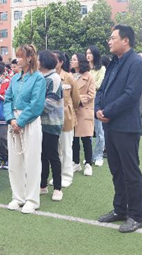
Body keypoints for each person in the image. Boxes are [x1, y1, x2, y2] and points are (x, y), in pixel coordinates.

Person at [95, 25, 142, 233]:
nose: (109, 41)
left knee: (130, 172)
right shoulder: (114, 63)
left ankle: (136, 215)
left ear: (125, 40)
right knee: (116, 170)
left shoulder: (137, 63)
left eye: (113, 38)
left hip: (126, 127)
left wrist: (107, 111)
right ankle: (120, 209)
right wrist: (98, 109)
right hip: (110, 125)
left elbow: (131, 94)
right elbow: (102, 90)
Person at [3, 44, 46, 214]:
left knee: (32, 161)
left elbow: (36, 104)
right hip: (14, 120)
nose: (17, 59)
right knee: (14, 161)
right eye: (17, 56)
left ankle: (32, 199)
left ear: (29, 58)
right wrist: (11, 119)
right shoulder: (14, 78)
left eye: (20, 56)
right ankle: (18, 196)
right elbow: (7, 100)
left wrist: (20, 122)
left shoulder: (38, 78)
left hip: (30, 122)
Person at [38, 50, 64, 202]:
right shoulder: (41, 77)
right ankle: (42, 185)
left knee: (53, 156)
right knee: (42, 155)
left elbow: (49, 105)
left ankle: (58, 188)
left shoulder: (54, 78)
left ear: (44, 62)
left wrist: (32, 108)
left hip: (52, 122)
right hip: (40, 123)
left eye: (38, 59)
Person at [51, 51, 80, 188]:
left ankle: (67, 175)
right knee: (55, 149)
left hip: (66, 117)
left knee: (66, 148)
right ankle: (57, 175)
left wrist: (69, 110)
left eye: (55, 60)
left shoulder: (68, 77)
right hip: (51, 118)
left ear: (61, 62)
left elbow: (76, 99)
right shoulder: (49, 76)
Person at [70, 53, 95, 176]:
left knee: (86, 139)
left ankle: (88, 163)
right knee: (73, 139)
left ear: (80, 62)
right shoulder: (70, 76)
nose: (72, 61)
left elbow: (91, 95)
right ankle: (75, 162)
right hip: (72, 111)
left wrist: (76, 99)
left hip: (84, 110)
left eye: (74, 59)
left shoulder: (89, 77)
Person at [86, 46, 106, 167]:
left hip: (97, 102)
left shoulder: (101, 69)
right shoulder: (85, 69)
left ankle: (98, 155)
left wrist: (87, 87)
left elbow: (99, 84)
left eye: (90, 53)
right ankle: (89, 156)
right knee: (87, 131)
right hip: (85, 103)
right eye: (87, 53)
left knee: (99, 131)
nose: (88, 55)